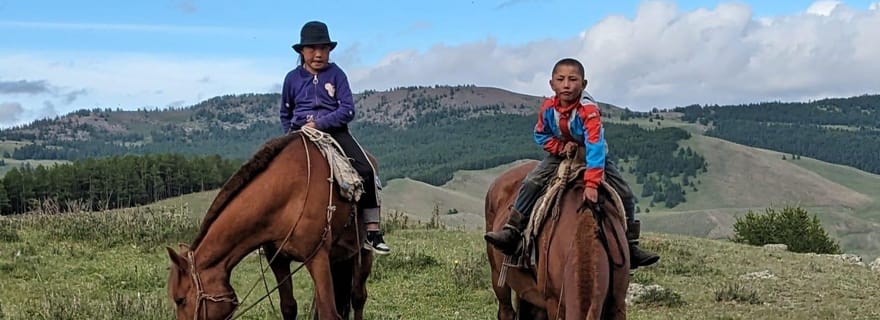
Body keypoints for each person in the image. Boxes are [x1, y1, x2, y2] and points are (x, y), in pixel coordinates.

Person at [484, 58, 659, 269]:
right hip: (561, 154)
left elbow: (594, 145)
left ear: (583, 84)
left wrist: (592, 184)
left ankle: (631, 246)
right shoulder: (548, 108)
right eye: (561, 79)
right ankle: (512, 231)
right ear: (552, 84)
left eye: (573, 79)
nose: (566, 85)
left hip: (592, 156)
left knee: (626, 195)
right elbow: (540, 134)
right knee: (531, 183)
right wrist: (559, 147)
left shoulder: (589, 111)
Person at [280, 21, 390, 254]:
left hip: (335, 132)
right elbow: (285, 112)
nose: (318, 54)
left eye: (323, 49)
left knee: (367, 169)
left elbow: (347, 110)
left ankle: (372, 231)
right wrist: (291, 133)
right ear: (302, 51)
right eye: (312, 49)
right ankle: (272, 231)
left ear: (330, 51)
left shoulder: (337, 74)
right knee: (269, 172)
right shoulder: (292, 78)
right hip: (300, 133)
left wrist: (319, 124)